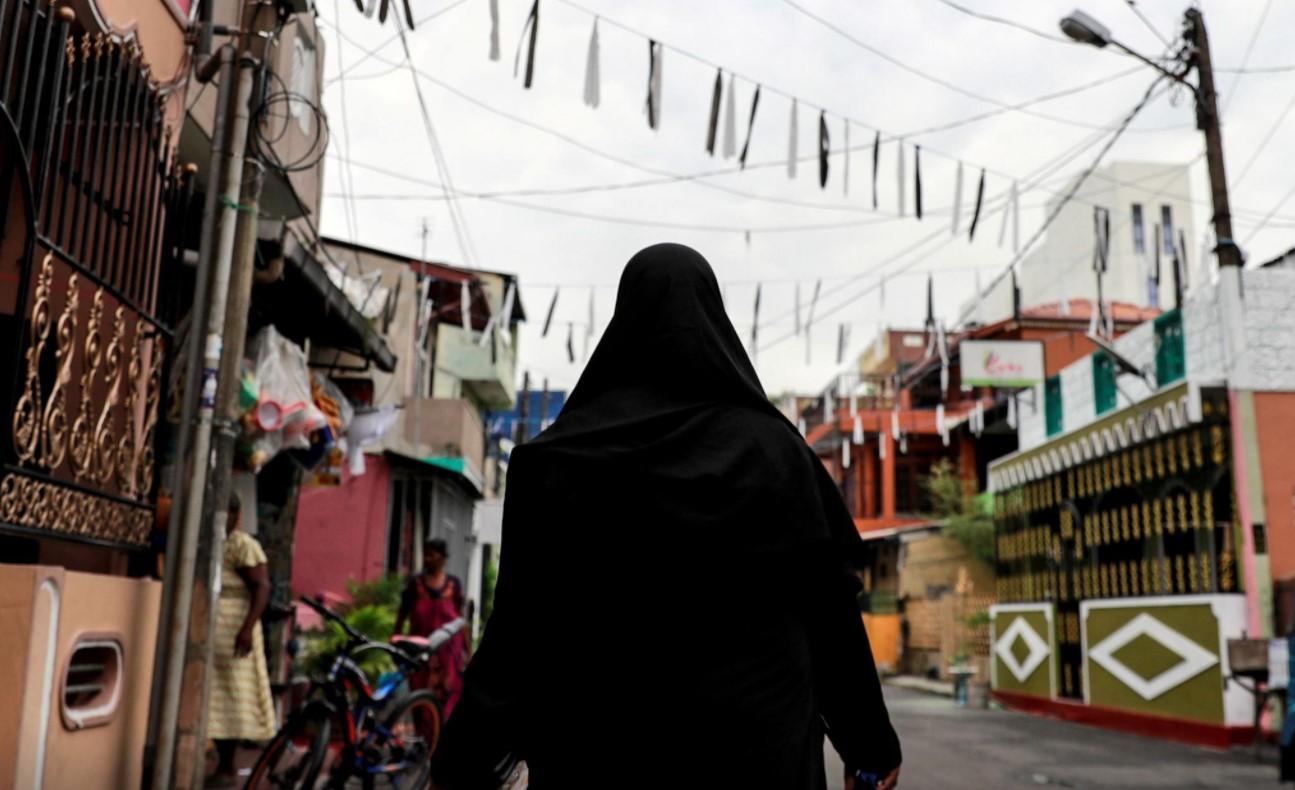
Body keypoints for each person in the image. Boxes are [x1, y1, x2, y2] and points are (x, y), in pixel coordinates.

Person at [430, 244, 901, 790]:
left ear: (623, 323)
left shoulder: (555, 464)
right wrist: (868, 741)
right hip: (758, 756)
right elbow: (829, 609)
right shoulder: (777, 454)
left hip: (601, 755)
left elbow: (520, 629)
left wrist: (461, 760)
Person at [206, 494, 276, 787]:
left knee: (232, 696)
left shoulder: (242, 544)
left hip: (235, 628)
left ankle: (228, 765)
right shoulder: (210, 541)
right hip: (212, 627)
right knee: (214, 697)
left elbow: (261, 587)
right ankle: (221, 763)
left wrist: (247, 628)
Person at [396, 537, 468, 718]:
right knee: (420, 694)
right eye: (425, 555)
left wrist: (468, 651)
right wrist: (396, 637)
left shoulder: (453, 585)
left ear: (442, 558)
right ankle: (425, 741)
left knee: (449, 695)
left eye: (432, 555)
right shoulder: (416, 584)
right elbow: (403, 612)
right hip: (421, 649)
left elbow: (461, 619)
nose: (427, 559)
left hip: (448, 652)